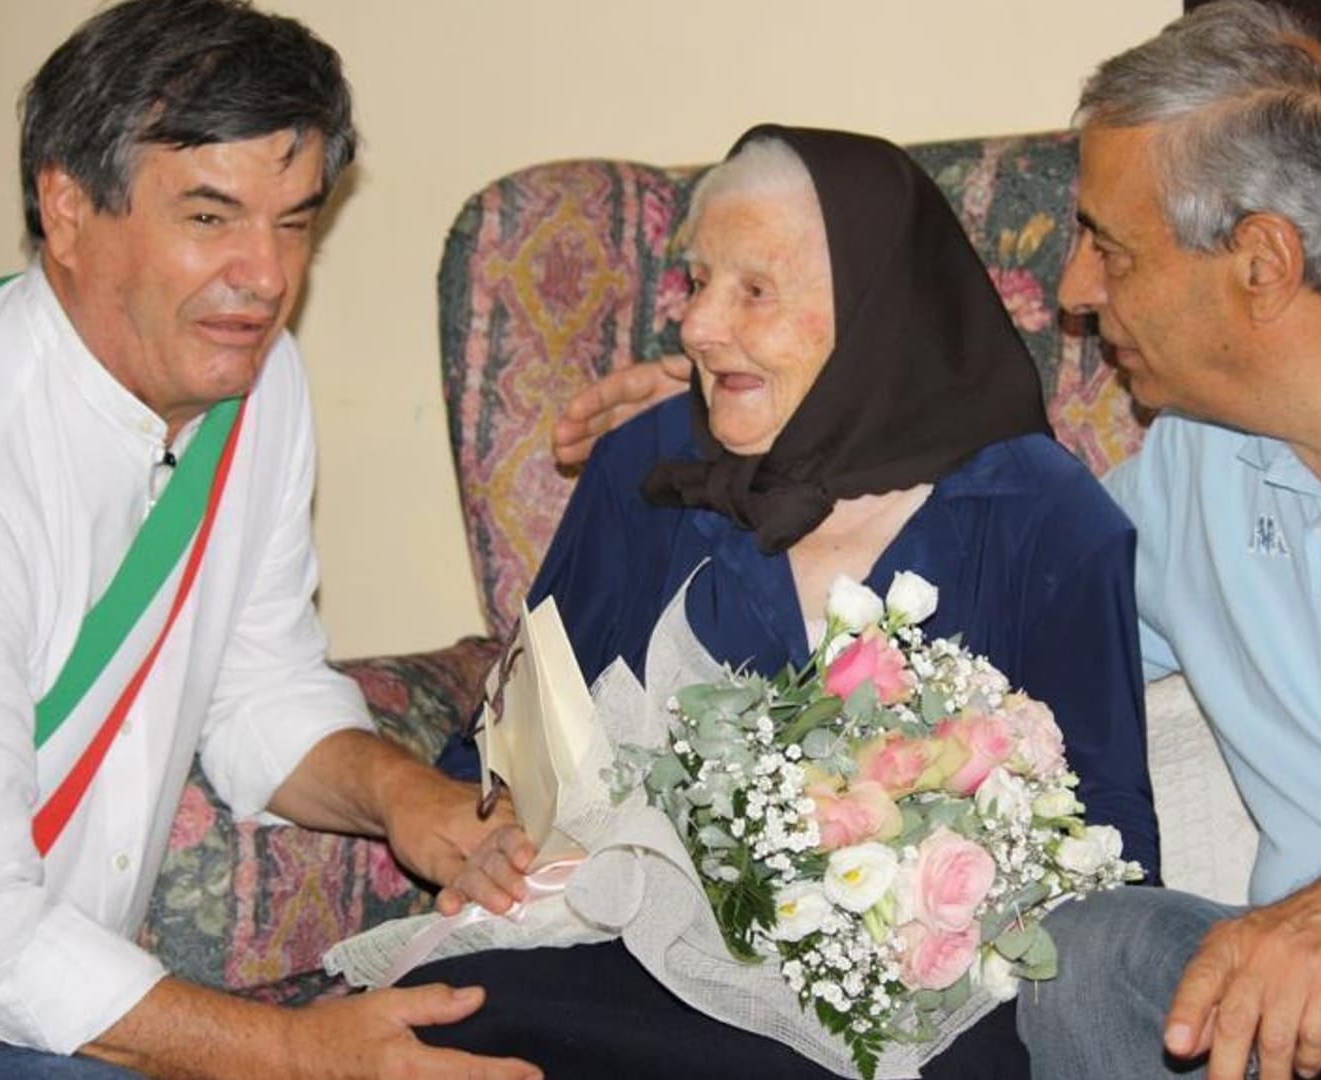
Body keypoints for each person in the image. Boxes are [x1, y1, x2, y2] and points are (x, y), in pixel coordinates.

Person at [556, 5, 1321, 1078]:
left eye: (1110, 245)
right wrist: (763, 409)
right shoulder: (1190, 462)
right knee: (1090, 953)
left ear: (1263, 263)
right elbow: (979, 563)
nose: (1075, 288)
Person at [0, 2, 537, 1077]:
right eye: (210, 219)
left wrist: (405, 797)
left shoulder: (254, 386)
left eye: (295, 221)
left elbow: (257, 692)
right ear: (67, 208)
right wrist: (298, 1052)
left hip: (41, 1001)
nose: (265, 278)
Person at [426, 124, 1157, 1078]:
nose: (695, 326)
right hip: (631, 967)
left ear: (876, 312)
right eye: (697, 283)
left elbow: (1110, 846)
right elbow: (506, 733)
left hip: (908, 1018)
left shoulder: (1042, 518)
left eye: (754, 291)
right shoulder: (647, 469)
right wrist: (493, 830)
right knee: (439, 1028)